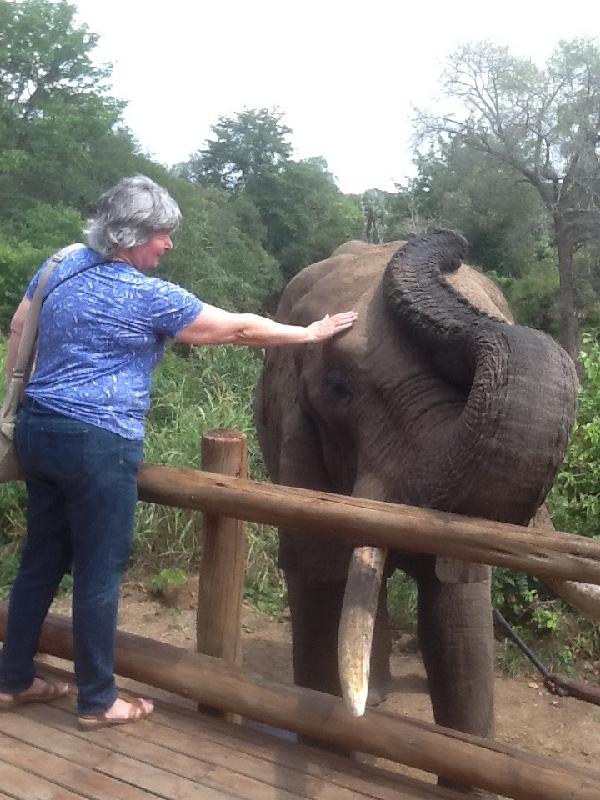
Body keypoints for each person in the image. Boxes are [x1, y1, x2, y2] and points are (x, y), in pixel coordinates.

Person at [0, 175, 357, 729]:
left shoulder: (62, 263)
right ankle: (98, 699)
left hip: (38, 431)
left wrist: (35, 400)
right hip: (99, 443)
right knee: (100, 572)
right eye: (162, 235)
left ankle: (14, 678)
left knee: (42, 561)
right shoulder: (146, 296)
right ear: (129, 235)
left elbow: (22, 327)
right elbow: (238, 330)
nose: (169, 245)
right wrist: (308, 334)